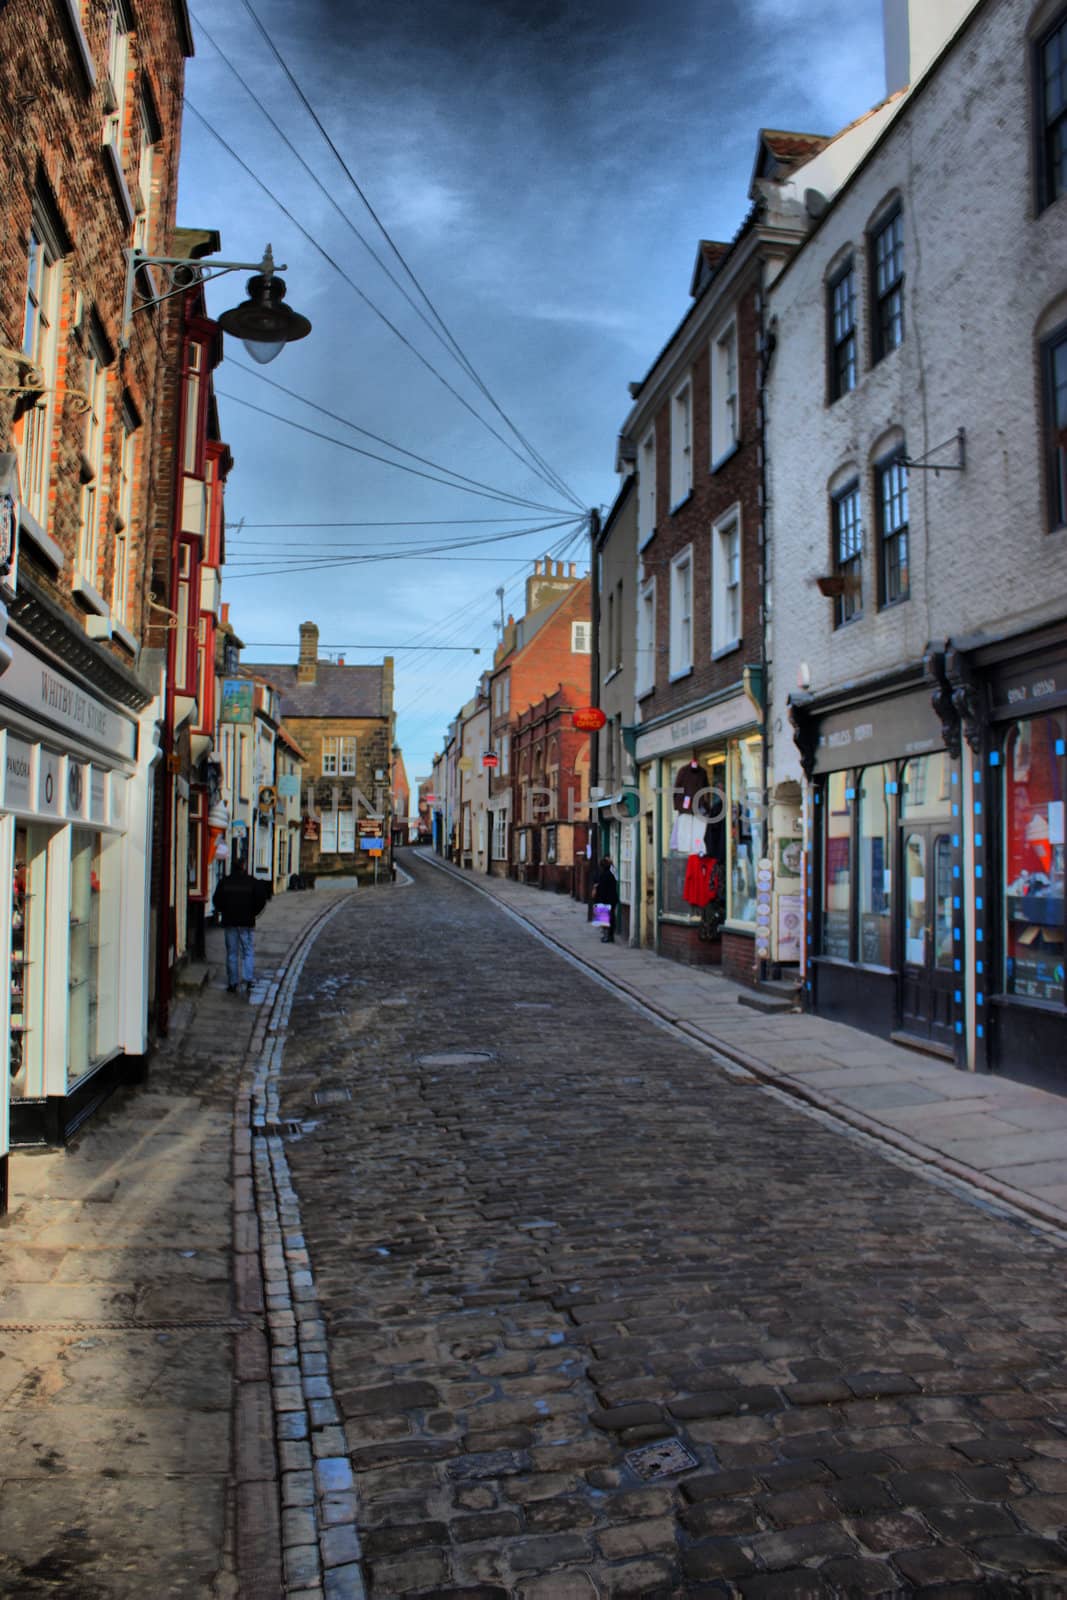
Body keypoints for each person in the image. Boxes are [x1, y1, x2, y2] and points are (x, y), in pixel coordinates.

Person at [213, 861, 270, 994]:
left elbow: (217, 900)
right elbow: (262, 899)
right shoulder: (252, 882)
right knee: (247, 951)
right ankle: (248, 979)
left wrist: (224, 911)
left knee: (232, 953)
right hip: (246, 922)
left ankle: (233, 983)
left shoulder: (224, 882)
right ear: (244, 868)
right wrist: (253, 913)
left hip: (230, 922)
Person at [592, 854, 619, 944]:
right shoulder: (611, 874)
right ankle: (610, 936)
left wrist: (597, 899)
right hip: (612, 899)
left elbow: (601, 889)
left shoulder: (603, 875)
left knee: (605, 920)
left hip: (605, 900)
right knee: (611, 918)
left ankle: (607, 936)